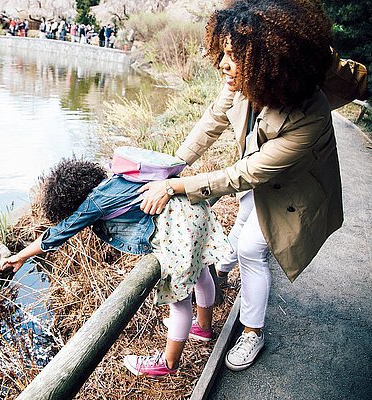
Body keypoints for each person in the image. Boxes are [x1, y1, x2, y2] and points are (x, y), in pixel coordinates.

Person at [138, 0, 367, 372]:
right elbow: (213, 120)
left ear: (270, 61)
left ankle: (252, 332)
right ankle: (221, 275)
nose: (222, 64)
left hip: (296, 193)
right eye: (223, 52)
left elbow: (244, 174)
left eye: (233, 55)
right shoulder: (243, 82)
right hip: (257, 186)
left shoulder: (311, 114)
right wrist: (173, 166)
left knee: (249, 248)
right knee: (241, 228)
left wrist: (177, 187)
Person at [0, 157, 230, 377]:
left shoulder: (94, 202)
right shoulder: (116, 179)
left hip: (177, 229)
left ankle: (168, 363)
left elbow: (58, 234)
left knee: (178, 301)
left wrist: (20, 256)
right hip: (194, 210)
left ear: (68, 201)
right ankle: (203, 328)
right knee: (200, 273)